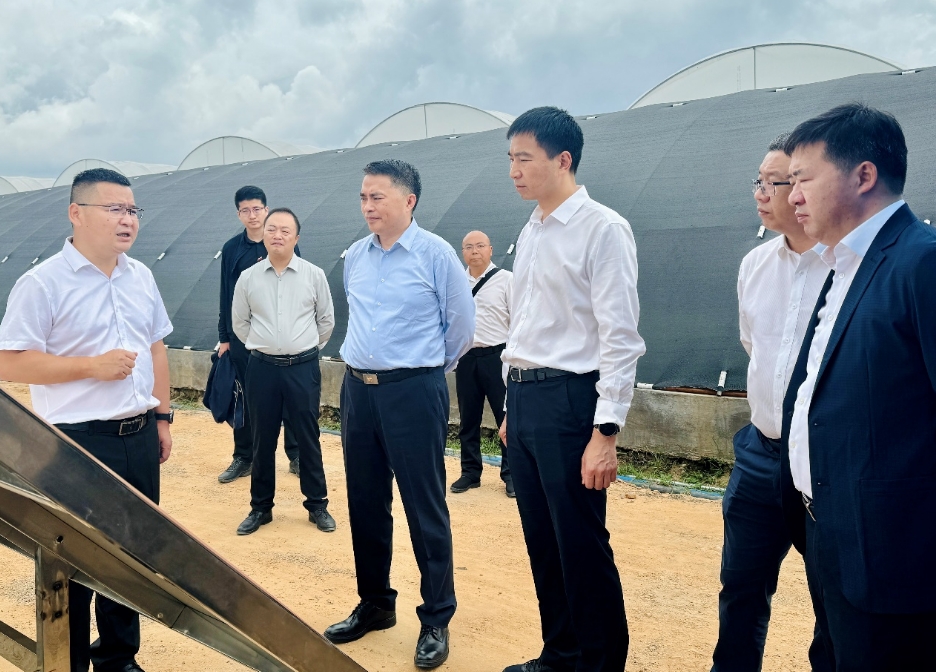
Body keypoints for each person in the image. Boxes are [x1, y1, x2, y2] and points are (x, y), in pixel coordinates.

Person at [780, 103, 936, 670]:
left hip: (895, 556)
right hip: (830, 532)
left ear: (863, 175)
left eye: (802, 179)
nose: (792, 196)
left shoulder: (920, 263)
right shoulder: (844, 264)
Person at [0, 168, 173, 672]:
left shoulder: (141, 276)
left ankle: (118, 656)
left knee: (132, 554)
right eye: (114, 208)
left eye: (133, 210)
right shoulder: (43, 283)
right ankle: (69, 660)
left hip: (138, 435)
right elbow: (9, 361)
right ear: (76, 213)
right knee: (71, 558)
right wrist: (89, 368)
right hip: (72, 444)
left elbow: (156, 347)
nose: (128, 219)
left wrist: (162, 417)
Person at [499, 107, 645, 672]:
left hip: (569, 401)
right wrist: (511, 405)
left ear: (563, 160)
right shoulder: (532, 228)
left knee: (581, 545)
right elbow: (526, 324)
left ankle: (601, 664)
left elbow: (619, 335)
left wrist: (605, 431)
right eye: (510, 159)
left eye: (524, 159)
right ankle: (560, 654)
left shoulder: (602, 228)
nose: (513, 170)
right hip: (526, 400)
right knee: (542, 540)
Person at [324, 160, 474, 669]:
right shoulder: (356, 256)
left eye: (377, 197)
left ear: (408, 201)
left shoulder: (436, 254)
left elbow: (461, 328)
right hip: (358, 391)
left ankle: (436, 617)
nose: (367, 206)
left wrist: (421, 372)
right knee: (366, 502)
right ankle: (375, 604)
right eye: (363, 197)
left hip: (413, 392)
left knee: (423, 505)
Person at [711, 136, 829, 672]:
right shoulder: (755, 265)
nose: (760, 193)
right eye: (757, 182)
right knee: (741, 587)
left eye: (773, 183)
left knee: (834, 598)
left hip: (825, 463)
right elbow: (754, 348)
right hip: (760, 455)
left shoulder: (847, 269)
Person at [231, 207, 335, 535]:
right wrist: (267, 346)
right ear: (263, 235)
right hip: (262, 369)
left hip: (303, 369)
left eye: (285, 230)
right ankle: (261, 508)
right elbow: (240, 323)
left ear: (296, 237)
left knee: (308, 437)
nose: (277, 235)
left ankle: (317, 505)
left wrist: (302, 347)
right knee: (262, 439)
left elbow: (326, 321)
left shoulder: (313, 275)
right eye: (272, 229)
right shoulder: (248, 278)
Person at [216, 185, 302, 483]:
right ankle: (244, 457)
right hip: (243, 338)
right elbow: (226, 294)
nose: (252, 215)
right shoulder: (232, 249)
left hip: (281, 336)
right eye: (245, 210)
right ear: (238, 214)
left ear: (266, 210)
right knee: (244, 396)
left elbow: (298, 288)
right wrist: (225, 337)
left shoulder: (281, 242)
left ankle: (297, 455)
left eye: (257, 209)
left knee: (289, 395)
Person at [450, 229, 513, 497]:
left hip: (497, 356)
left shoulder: (507, 280)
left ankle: (511, 474)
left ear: (490, 249)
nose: (474, 251)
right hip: (466, 357)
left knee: (506, 417)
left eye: (480, 246)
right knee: (468, 418)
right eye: (468, 247)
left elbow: (518, 319)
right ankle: (470, 472)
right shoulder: (456, 282)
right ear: (462, 252)